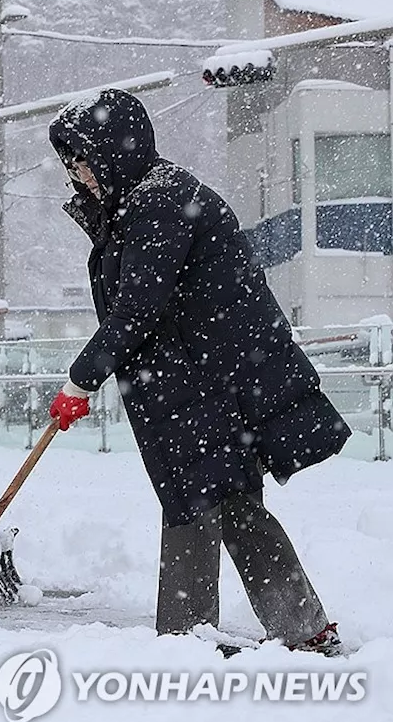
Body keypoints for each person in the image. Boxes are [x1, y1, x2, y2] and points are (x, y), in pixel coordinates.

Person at [46, 87, 350, 654]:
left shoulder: (159, 203)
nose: (77, 173)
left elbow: (137, 307)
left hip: (206, 383)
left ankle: (226, 633)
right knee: (210, 499)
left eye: (83, 160)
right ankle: (247, 630)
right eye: (71, 163)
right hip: (189, 381)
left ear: (114, 150)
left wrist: (81, 378)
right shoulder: (139, 203)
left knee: (210, 496)